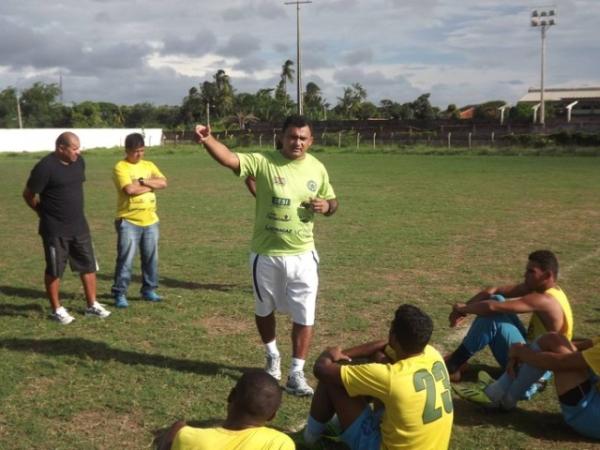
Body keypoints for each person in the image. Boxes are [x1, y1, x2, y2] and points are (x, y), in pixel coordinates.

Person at [195, 115, 338, 397]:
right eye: (292, 136)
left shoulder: (317, 168)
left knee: (305, 313)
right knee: (264, 309)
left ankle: (296, 372)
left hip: (303, 255)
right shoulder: (263, 161)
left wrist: (327, 206)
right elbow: (229, 159)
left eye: (302, 138)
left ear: (311, 141)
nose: (297, 142)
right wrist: (207, 139)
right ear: (281, 137)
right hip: (267, 254)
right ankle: (272, 357)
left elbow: (333, 201)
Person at [303, 304, 454, 449]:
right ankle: (338, 423)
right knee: (379, 358)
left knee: (332, 379)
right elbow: (382, 346)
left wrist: (330, 353)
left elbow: (321, 370)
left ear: (393, 337)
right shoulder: (433, 354)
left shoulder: (391, 378)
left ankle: (310, 438)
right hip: (427, 443)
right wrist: (345, 355)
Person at [445, 250, 573, 384]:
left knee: (491, 317)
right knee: (498, 299)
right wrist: (464, 311)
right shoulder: (548, 290)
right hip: (533, 353)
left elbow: (491, 308)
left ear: (546, 275)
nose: (525, 275)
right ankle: (458, 360)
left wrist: (461, 308)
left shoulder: (545, 300)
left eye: (531, 271)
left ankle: (452, 366)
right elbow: (493, 291)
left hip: (534, 371)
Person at [22, 131, 111, 324]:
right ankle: (57, 309)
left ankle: (92, 305)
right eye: (74, 148)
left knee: (88, 266)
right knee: (55, 270)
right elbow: (28, 194)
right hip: (55, 230)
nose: (78, 152)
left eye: (79, 148)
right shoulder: (45, 167)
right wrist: (41, 212)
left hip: (79, 226)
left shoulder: (79, 162)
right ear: (61, 148)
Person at [158, 371, 295, 450]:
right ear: (272, 416)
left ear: (230, 396)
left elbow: (170, 442)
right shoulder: (280, 443)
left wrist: (177, 427)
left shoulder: (188, 437)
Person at [504, 333, 600, 440]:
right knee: (553, 339)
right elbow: (584, 345)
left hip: (591, 415)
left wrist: (521, 352)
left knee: (562, 361)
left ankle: (504, 398)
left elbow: (561, 362)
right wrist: (530, 347)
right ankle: (505, 395)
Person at [111, 133, 167, 308]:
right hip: (128, 221)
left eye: (142, 150)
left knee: (151, 257)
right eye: (136, 151)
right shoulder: (121, 167)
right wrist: (150, 185)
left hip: (150, 220)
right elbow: (129, 190)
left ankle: (149, 289)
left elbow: (164, 182)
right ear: (127, 150)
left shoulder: (149, 165)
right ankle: (120, 293)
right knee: (126, 259)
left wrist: (141, 182)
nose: (140, 154)